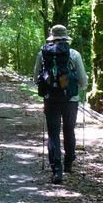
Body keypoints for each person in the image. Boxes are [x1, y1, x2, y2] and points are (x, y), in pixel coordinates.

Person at [33, 24, 88, 184]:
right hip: (70, 100)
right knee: (69, 130)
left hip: (51, 99)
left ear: (52, 37)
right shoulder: (74, 54)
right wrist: (81, 87)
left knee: (53, 133)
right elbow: (83, 80)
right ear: (65, 37)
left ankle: (57, 171)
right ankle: (69, 162)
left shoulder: (42, 54)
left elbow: (36, 78)